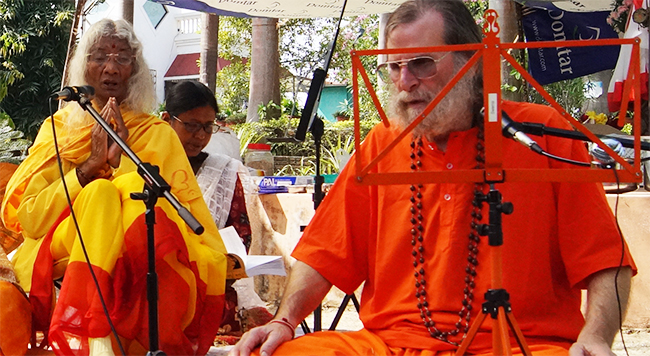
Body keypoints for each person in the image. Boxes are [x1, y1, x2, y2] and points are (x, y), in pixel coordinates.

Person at [230, 1, 637, 356]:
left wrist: (596, 336)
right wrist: (283, 322)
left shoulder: (541, 134)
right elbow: (324, 257)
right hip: (388, 344)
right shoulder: (383, 146)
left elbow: (606, 261)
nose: (405, 83)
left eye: (422, 64)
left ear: (471, 62)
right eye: (394, 67)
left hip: (522, 344)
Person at [1, 19, 227, 356]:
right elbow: (32, 220)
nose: (110, 67)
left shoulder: (155, 132)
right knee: (99, 192)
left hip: (138, 246)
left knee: (133, 188)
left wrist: (121, 162)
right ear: (84, 66)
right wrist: (90, 167)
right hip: (62, 239)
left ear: (134, 70)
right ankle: (99, 330)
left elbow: (170, 215)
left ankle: (99, 333)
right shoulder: (58, 129)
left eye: (122, 58)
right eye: (99, 57)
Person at [161, 80, 261, 337]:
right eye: (192, 126)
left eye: (208, 127)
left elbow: (241, 234)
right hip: (160, 289)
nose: (201, 136)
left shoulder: (224, 171)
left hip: (212, 291)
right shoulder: (148, 167)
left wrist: (222, 264)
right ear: (166, 120)